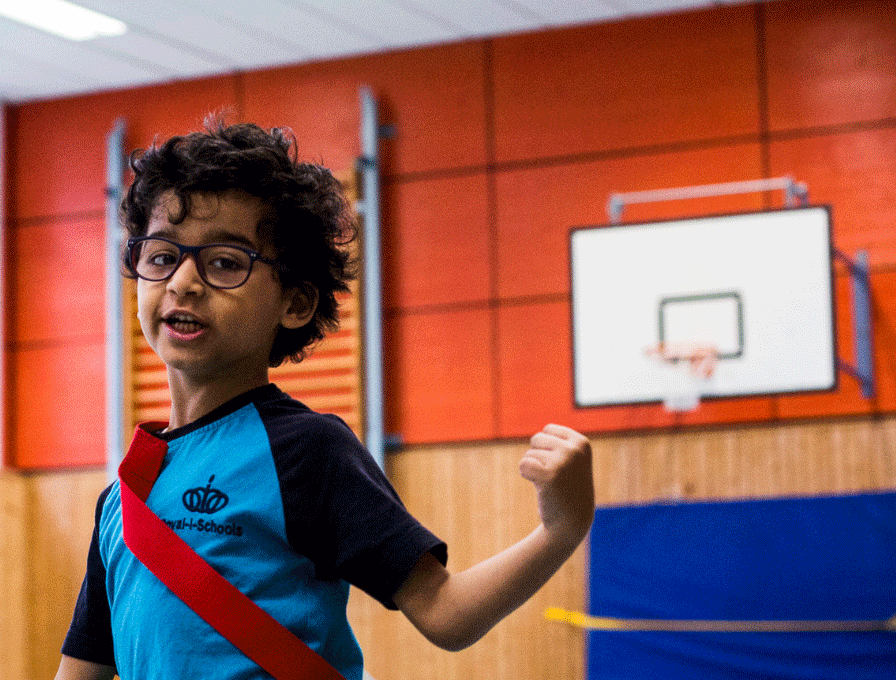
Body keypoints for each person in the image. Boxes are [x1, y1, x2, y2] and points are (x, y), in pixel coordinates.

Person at [54, 120, 594, 680]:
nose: (183, 282)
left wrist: (561, 529)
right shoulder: (125, 494)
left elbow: (446, 614)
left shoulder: (308, 451)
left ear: (296, 302)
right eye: (162, 256)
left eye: (225, 263)